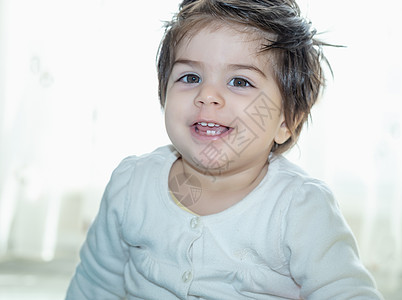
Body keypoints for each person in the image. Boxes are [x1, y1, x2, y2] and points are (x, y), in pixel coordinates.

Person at [66, 0, 384, 299]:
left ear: (286, 121)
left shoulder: (300, 208)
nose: (208, 95)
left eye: (240, 82)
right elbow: (94, 284)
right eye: (190, 77)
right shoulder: (130, 185)